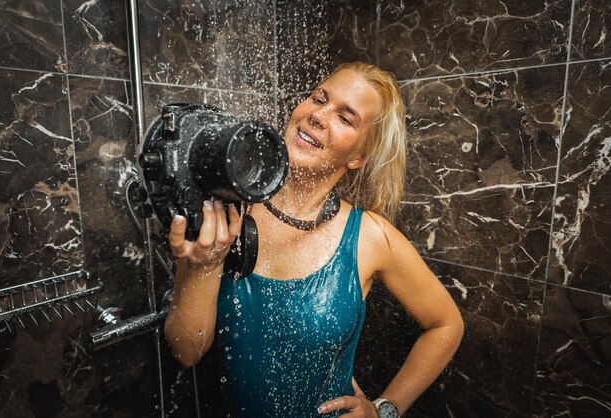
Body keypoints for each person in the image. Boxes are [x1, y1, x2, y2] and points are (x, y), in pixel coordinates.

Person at [164, 61, 464, 417]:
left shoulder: (369, 237)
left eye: (345, 118)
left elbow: (447, 324)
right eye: (319, 98)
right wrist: (206, 263)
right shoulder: (227, 210)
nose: (318, 115)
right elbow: (186, 352)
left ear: (358, 158)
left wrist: (385, 409)